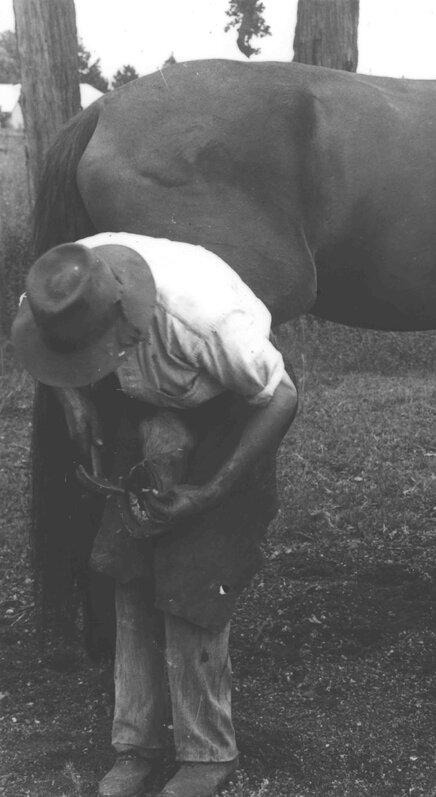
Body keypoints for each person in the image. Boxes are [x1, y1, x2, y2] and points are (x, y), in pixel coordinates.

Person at [12, 232, 299, 797]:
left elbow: (281, 396)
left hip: (228, 411)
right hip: (146, 406)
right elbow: (39, 340)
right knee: (128, 566)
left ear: (130, 322)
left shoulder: (210, 322)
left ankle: (207, 751)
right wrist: (76, 401)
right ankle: (135, 744)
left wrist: (211, 492)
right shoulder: (56, 291)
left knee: (194, 578)